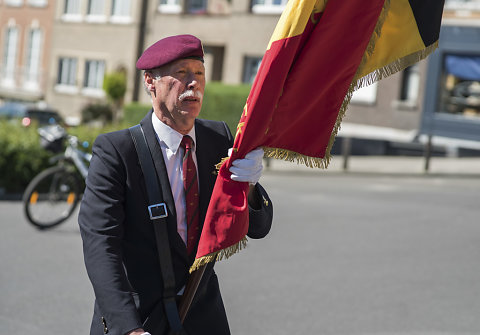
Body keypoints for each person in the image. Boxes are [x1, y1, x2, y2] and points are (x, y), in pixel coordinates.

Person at [78, 34, 273, 335]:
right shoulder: (117, 152)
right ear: (150, 82)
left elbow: (258, 228)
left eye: (199, 74)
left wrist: (249, 186)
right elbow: (100, 246)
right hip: (139, 320)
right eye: (181, 74)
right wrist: (128, 328)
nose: (193, 84)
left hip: (203, 318)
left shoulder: (219, 140)